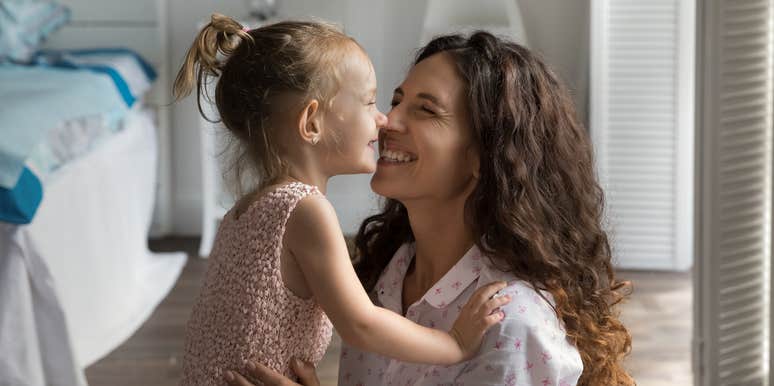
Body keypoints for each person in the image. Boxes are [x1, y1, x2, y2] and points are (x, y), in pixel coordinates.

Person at [227, 31, 634, 386]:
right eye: (394, 100)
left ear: (483, 156)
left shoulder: (510, 324)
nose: (387, 121)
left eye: (425, 109)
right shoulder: (388, 274)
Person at [172, 14, 513, 386]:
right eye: (369, 103)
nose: (383, 119)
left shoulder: (242, 211)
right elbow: (360, 324)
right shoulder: (305, 210)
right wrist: (456, 343)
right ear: (312, 123)